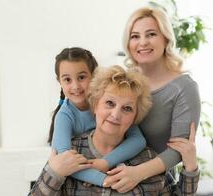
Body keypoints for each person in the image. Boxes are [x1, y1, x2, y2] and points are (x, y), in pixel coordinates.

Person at [26, 65, 199, 196]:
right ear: (95, 105)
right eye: (109, 103)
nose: (115, 115)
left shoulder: (147, 158)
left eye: (127, 108)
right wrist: (54, 172)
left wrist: (190, 168)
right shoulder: (70, 153)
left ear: (135, 117)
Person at [103, 6, 201, 193]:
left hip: (154, 184)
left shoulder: (184, 88)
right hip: (113, 173)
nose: (142, 43)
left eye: (151, 34)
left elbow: (179, 149)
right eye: (135, 36)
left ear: (165, 38)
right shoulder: (123, 79)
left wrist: (137, 173)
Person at [48, 47, 148, 186]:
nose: (75, 86)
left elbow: (138, 140)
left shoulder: (111, 105)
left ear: (94, 75)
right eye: (67, 80)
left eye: (81, 77)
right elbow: (64, 162)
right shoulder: (64, 116)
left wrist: (105, 162)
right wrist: (104, 180)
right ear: (59, 81)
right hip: (83, 177)